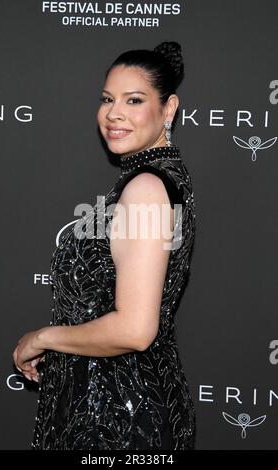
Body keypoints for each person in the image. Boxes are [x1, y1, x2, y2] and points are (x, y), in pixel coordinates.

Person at [13, 41, 196, 450]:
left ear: (169, 109)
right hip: (111, 404)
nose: (114, 113)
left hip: (116, 420)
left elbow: (134, 329)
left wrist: (42, 338)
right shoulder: (155, 178)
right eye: (107, 99)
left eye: (134, 100)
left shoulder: (147, 187)